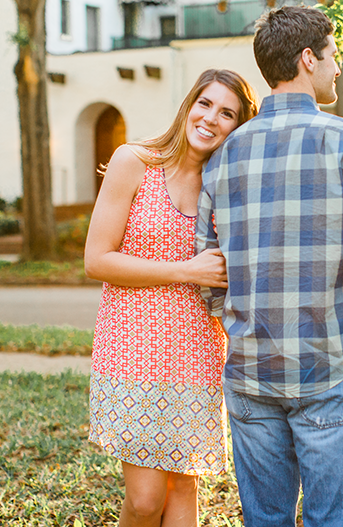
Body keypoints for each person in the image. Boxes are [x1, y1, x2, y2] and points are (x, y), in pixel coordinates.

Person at [195, 6, 343, 527]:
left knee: (265, 521)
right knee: (336, 519)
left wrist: (238, 325)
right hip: (332, 366)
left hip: (249, 372)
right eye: (333, 57)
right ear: (308, 59)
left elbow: (208, 272)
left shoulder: (221, 157)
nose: (337, 69)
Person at [84, 69, 258, 527]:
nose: (211, 118)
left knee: (182, 486)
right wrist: (185, 270)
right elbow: (96, 260)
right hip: (130, 349)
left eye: (227, 113)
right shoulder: (134, 161)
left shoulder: (224, 187)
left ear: (237, 127)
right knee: (145, 501)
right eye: (205, 104)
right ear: (188, 105)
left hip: (197, 352)